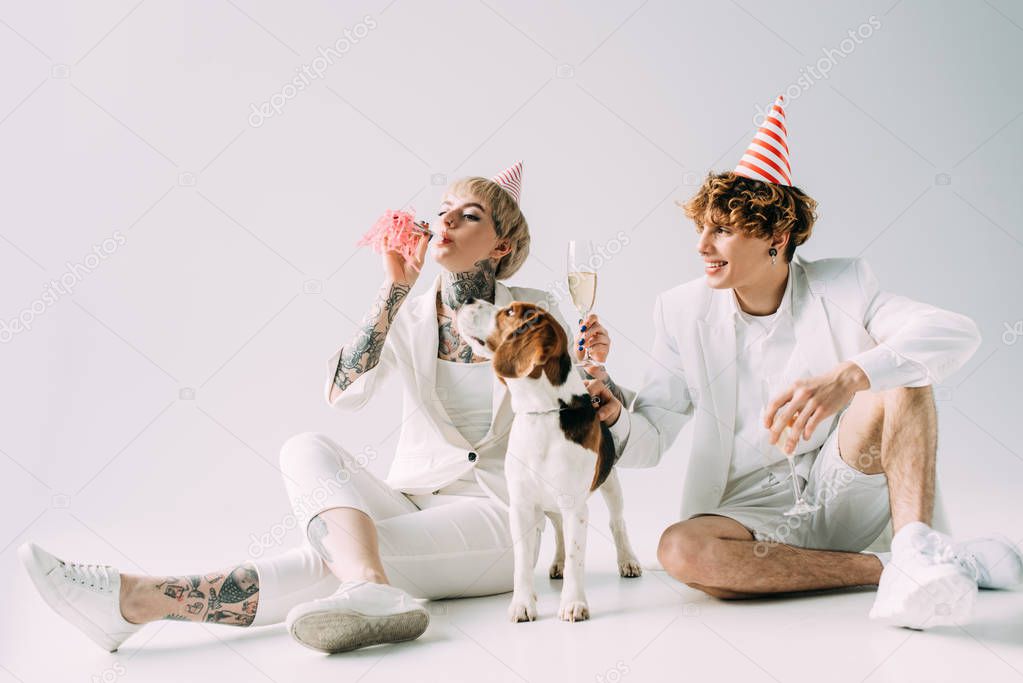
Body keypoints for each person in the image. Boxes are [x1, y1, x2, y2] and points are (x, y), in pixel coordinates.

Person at [19, 161, 614, 653]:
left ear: (501, 244)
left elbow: (587, 416)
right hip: (409, 493)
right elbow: (343, 394)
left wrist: (601, 380)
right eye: (442, 212)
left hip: (500, 514)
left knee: (331, 557)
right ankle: (366, 587)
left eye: (469, 216)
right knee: (303, 448)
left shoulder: (536, 312)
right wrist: (392, 290)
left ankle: (136, 598)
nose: (446, 223)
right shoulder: (407, 310)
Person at [586, 96, 1023, 629]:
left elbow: (955, 332)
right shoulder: (680, 310)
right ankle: (901, 567)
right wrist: (614, 417)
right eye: (701, 228)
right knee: (681, 551)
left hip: (845, 485)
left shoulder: (845, 284)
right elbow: (652, 435)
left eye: (721, 229)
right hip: (750, 511)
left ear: (777, 236)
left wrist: (852, 377)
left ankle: (913, 546)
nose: (702, 245)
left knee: (904, 375)